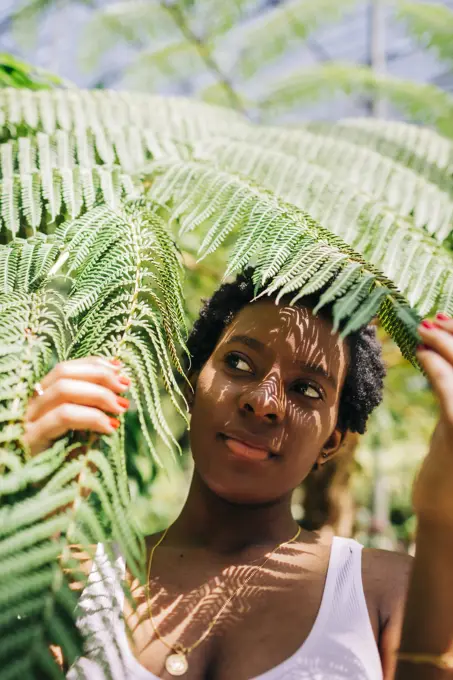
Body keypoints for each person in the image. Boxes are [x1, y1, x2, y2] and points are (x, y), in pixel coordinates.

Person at [23, 268, 453, 680]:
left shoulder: (389, 592)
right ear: (192, 386)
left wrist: (440, 521)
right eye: (240, 363)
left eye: (306, 389)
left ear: (331, 443)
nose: (263, 401)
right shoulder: (74, 581)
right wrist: (19, 476)